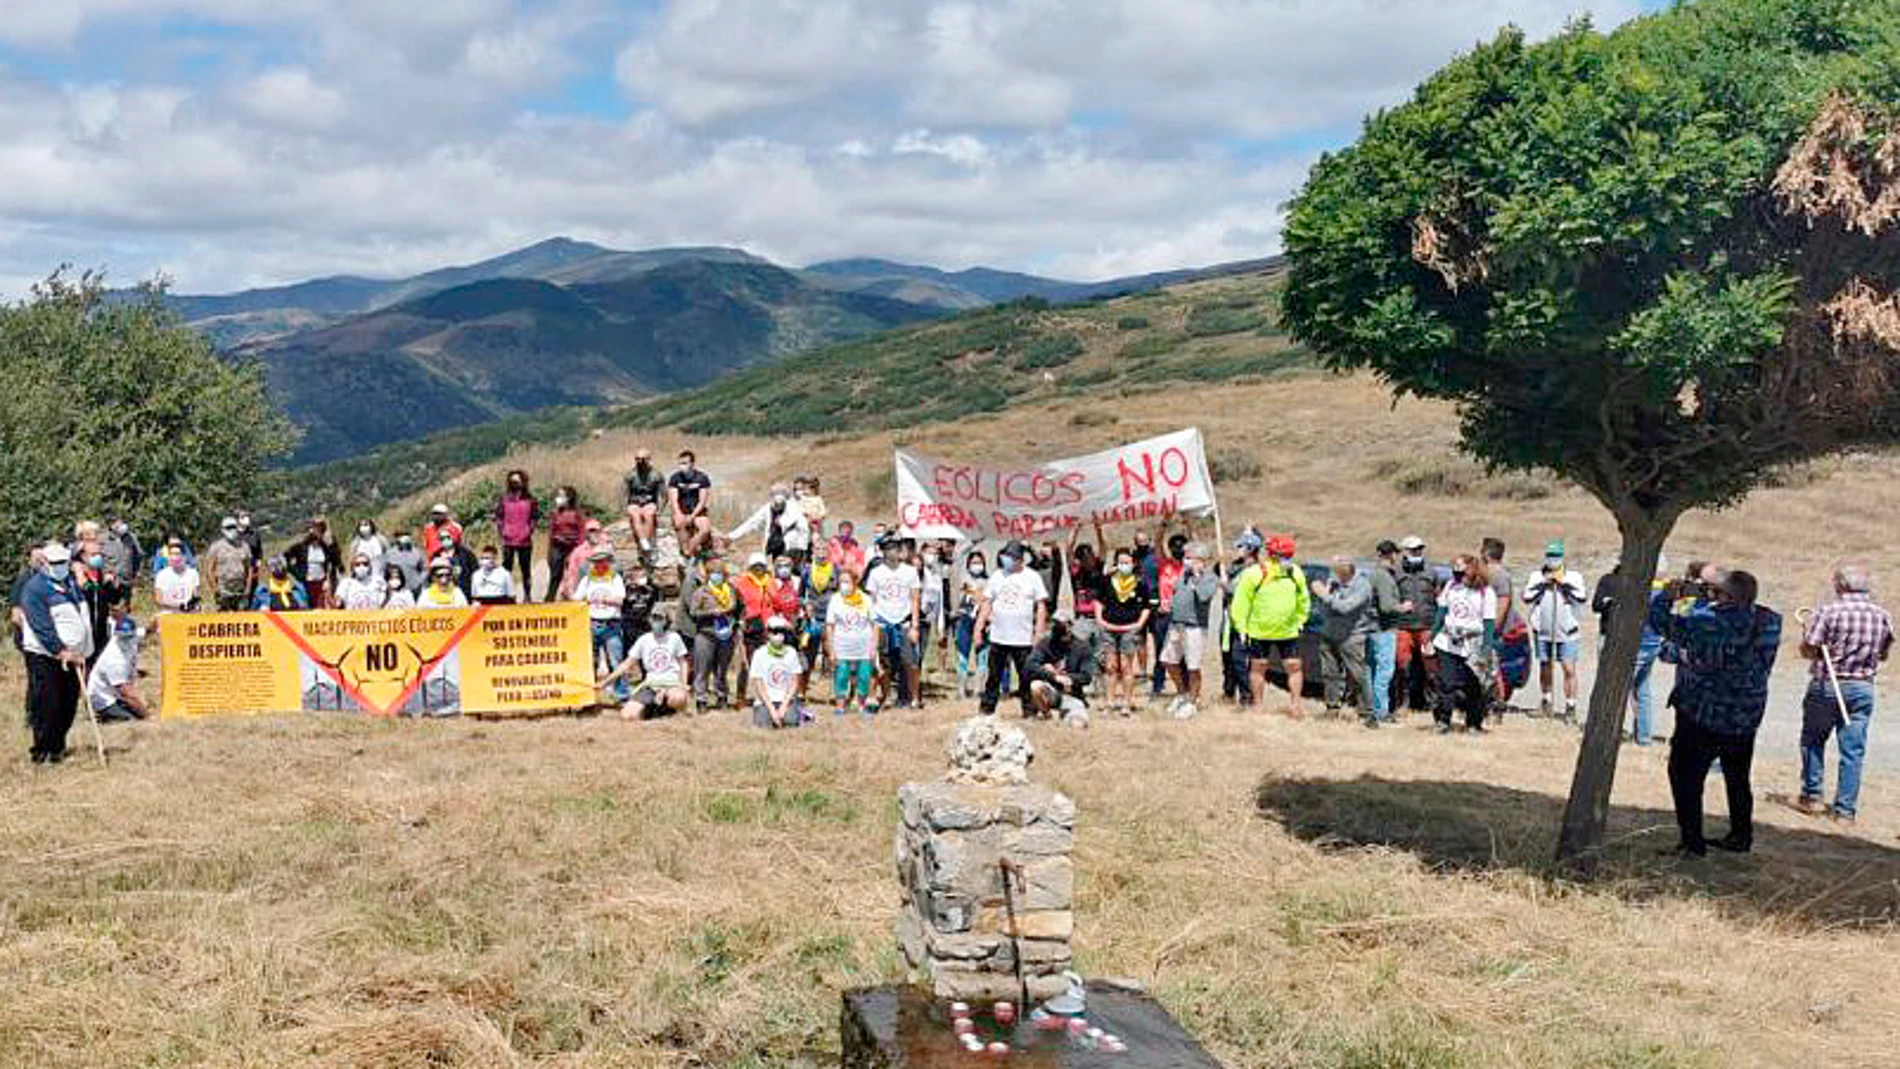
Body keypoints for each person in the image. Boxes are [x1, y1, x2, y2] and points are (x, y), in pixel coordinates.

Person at [1652, 568, 1781, 857]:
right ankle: (1740, 835)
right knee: (1737, 777)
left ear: (1725, 595)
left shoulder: (1709, 623)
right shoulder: (1770, 621)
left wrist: (1668, 595)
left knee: (1685, 776)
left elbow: (1660, 622)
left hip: (1705, 713)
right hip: (1746, 715)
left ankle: (1692, 843)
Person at [1796, 562, 1893, 824]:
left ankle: (1812, 796)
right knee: (1853, 751)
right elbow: (1883, 655)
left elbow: (1810, 650)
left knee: (1813, 740)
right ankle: (1845, 812)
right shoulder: (1882, 615)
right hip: (1862, 688)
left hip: (1828, 683)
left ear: (1840, 584)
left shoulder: (1828, 612)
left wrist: (1806, 636)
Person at [21, 543, 94, 762]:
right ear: (44, 563)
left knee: (68, 703)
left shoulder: (70, 583)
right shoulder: (35, 588)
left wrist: (83, 651)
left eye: (63, 562)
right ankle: (43, 752)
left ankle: (58, 748)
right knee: (48, 704)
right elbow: (40, 624)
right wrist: (60, 650)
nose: (60, 566)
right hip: (47, 656)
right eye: (55, 563)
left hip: (75, 655)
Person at [1231, 535, 1312, 719]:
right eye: (1280, 555)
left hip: (1288, 630)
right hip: (1259, 630)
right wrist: (1242, 627)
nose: (1284, 559)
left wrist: (1300, 621)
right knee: (1259, 667)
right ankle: (1258, 706)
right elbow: (1241, 602)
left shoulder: (1295, 572)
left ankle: (1295, 706)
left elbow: (1303, 599)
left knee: (1294, 666)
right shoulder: (1254, 573)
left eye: (1287, 556)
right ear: (1271, 554)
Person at [1592, 560, 1668, 745]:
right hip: (1649, 644)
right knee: (1642, 689)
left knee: (1617, 687)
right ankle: (1643, 736)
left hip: (1637, 645)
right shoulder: (1663, 592)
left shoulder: (1641, 590)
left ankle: (1606, 734)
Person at [974, 540, 1048, 718]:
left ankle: (1029, 710)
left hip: (1022, 638)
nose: (1007, 560)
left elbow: (1041, 606)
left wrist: (1038, 632)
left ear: (1021, 559)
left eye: (1011, 557)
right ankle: (987, 709)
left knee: (1026, 677)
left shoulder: (1032, 577)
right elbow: (986, 604)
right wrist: (978, 628)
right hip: (999, 636)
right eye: (1006, 556)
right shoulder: (997, 576)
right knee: (993, 677)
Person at [1432, 554, 1498, 735]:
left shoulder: (1486, 593)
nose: (1457, 575)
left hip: (1473, 644)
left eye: (1461, 572)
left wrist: (1486, 648)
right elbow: (1441, 613)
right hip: (1448, 642)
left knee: (1474, 685)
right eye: (1455, 571)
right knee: (1447, 683)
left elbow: (1489, 623)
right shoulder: (1451, 586)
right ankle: (1443, 720)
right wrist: (1432, 637)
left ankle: (1473, 723)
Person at [1524, 539, 1587, 721]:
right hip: (1543, 630)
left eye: (1556, 556)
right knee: (1545, 665)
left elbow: (1581, 598)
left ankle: (1570, 706)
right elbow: (1527, 597)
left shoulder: (1574, 577)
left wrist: (1563, 584)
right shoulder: (1536, 576)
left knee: (1568, 668)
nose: (1553, 559)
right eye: (1550, 556)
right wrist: (1544, 584)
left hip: (1567, 631)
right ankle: (1546, 701)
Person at [600, 608, 694, 720]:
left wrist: (683, 685)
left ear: (667, 621)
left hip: (671, 683)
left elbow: (683, 662)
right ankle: (654, 708)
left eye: (659, 618)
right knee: (627, 715)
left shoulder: (675, 638)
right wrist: (605, 682)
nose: (656, 621)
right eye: (653, 618)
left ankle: (667, 707)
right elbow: (626, 664)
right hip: (650, 684)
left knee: (678, 698)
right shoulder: (643, 639)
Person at [1311, 556, 1375, 721]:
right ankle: (1332, 709)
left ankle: (1367, 714)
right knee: (1329, 674)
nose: (1334, 576)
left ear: (1348, 571)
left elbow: (1345, 607)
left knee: (1357, 675)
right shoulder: (1334, 582)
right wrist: (1325, 595)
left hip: (1351, 637)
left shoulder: (1362, 586)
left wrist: (1324, 594)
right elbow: (1323, 609)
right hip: (1329, 633)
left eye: (1337, 572)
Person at [1096, 548, 1155, 716]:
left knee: (1127, 667)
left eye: (1127, 562)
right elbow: (1099, 601)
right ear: (1116, 563)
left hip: (1129, 629)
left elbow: (1146, 607)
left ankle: (1127, 704)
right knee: (1111, 667)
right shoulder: (1107, 581)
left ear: (1133, 563)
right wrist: (1100, 619)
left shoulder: (1140, 583)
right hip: (1109, 628)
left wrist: (1139, 624)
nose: (1124, 565)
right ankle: (1109, 702)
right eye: (1121, 562)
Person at [864, 541, 923, 710]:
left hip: (903, 622)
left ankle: (914, 698)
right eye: (888, 550)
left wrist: (915, 626)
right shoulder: (876, 573)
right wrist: (872, 626)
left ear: (900, 552)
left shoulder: (910, 572)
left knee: (911, 662)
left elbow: (915, 598)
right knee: (883, 662)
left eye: (895, 549)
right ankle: (886, 696)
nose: (892, 553)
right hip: (882, 621)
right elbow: (871, 601)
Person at [572, 548, 628, 702]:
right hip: (591, 622)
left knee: (616, 661)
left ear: (608, 562)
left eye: (602, 561)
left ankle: (622, 696)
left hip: (611, 623)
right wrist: (583, 601)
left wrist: (603, 600)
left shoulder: (615, 578)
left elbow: (620, 600)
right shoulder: (588, 579)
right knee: (589, 661)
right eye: (596, 561)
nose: (600, 564)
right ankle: (586, 697)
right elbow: (576, 598)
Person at [1392, 535, 1441, 714]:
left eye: (1419, 549)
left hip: (1427, 626)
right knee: (1402, 666)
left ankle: (1433, 704)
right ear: (1404, 552)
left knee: (1431, 667)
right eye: (1413, 550)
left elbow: (1438, 597)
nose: (1417, 553)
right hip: (1403, 626)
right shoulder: (1396, 572)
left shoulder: (1431, 572)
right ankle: (1402, 703)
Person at [1481, 536, 1526, 711]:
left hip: (1496, 631)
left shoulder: (1498, 575)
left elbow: (1503, 602)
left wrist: (1492, 629)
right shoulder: (1490, 573)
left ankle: (1498, 704)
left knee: (1494, 667)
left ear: (1486, 554)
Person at [687, 556, 738, 709]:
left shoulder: (730, 590)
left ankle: (722, 697)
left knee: (722, 669)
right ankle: (701, 699)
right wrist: (711, 612)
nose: (718, 576)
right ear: (709, 575)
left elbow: (737, 608)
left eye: (720, 573)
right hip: (706, 634)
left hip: (725, 634)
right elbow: (693, 612)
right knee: (702, 668)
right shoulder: (701, 592)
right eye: (714, 573)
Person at [1365, 541, 1406, 726]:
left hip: (1370, 629)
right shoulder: (1383, 577)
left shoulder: (1372, 574)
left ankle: (1369, 709)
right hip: (1383, 630)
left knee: (1371, 671)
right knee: (1384, 672)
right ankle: (1381, 712)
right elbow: (1387, 607)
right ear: (1392, 555)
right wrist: (1403, 607)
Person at [827, 570, 878, 716]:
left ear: (855, 583)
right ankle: (840, 706)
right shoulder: (835, 599)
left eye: (847, 582)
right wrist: (831, 650)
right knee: (841, 675)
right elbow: (830, 626)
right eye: (841, 582)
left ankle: (861, 705)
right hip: (842, 646)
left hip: (863, 647)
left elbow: (875, 624)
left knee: (863, 676)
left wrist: (873, 647)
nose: (844, 585)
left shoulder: (866, 599)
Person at [89, 602, 150, 722]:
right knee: (132, 721)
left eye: (129, 637)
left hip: (117, 694)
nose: (126, 641)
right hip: (105, 699)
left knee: (137, 710)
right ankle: (104, 714)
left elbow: (147, 631)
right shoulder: (114, 660)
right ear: (116, 635)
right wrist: (148, 717)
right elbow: (127, 694)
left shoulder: (133, 636)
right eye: (123, 638)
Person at [1220, 531, 1262, 706]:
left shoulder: (1254, 570)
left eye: (1240, 546)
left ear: (1250, 549)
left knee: (1240, 659)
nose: (1237, 550)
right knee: (1227, 658)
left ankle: (1248, 695)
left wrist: (1225, 585)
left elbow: (1238, 591)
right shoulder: (1236, 566)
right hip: (1228, 619)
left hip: (1244, 621)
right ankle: (1229, 693)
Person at [1027, 615, 1094, 724]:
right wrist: (1051, 674)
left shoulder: (1082, 647)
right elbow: (1030, 665)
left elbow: (1087, 677)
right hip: (1050, 692)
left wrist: (1069, 679)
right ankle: (1047, 715)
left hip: (1072, 695)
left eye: (1065, 635)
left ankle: (1063, 714)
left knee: (1078, 725)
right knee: (1035, 686)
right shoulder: (1046, 643)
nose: (1062, 640)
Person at [749, 616, 809, 728]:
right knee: (763, 725)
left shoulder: (791, 653)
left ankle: (800, 713)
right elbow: (759, 684)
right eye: (775, 632)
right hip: (765, 701)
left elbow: (795, 682)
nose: (779, 635)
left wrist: (783, 707)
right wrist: (772, 709)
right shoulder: (759, 654)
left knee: (791, 722)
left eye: (782, 631)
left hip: (786, 700)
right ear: (768, 633)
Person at [1148, 532, 1187, 700]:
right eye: (1175, 546)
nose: (1178, 549)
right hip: (1164, 615)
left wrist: (1188, 522)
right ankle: (1157, 686)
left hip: (1181, 616)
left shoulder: (1188, 568)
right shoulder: (1165, 564)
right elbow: (1157, 543)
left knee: (1182, 653)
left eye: (1181, 546)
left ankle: (1185, 687)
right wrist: (1163, 525)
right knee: (1161, 653)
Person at [729, 482, 811, 563]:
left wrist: (802, 548)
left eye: (780, 504)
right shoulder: (768, 508)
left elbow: (803, 528)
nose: (777, 507)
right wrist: (731, 536)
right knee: (778, 569)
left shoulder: (793, 508)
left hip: (793, 547)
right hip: (775, 545)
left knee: (790, 571)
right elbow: (752, 522)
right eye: (776, 504)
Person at [493, 470, 540, 595]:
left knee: (526, 569)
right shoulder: (504, 499)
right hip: (508, 540)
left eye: (517, 480)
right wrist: (502, 530)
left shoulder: (531, 500)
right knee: (506, 569)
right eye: (512, 480)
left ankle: (527, 595)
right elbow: (498, 516)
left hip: (525, 541)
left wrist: (529, 530)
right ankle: (505, 594)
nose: (514, 483)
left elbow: (535, 517)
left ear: (523, 481)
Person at [954, 551, 991, 700]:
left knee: (982, 656)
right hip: (965, 621)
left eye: (979, 562)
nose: (977, 566)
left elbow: (988, 600)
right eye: (974, 563)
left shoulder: (989, 581)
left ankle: (978, 690)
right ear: (968, 565)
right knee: (963, 655)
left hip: (982, 622)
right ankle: (961, 690)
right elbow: (964, 595)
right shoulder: (963, 578)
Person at [800, 543, 839, 684]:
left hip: (830, 619)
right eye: (818, 549)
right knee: (808, 654)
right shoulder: (807, 570)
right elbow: (800, 594)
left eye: (824, 549)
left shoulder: (835, 569)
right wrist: (806, 606)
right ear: (813, 552)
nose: (821, 552)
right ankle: (802, 691)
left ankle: (836, 692)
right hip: (812, 619)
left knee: (831, 654)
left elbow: (840, 592)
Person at [201, 517, 255, 612]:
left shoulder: (244, 546)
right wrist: (215, 590)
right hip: (223, 589)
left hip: (240, 589)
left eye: (233, 527)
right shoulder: (216, 547)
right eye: (228, 527)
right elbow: (209, 570)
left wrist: (248, 588)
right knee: (224, 618)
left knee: (241, 618)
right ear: (223, 530)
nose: (231, 530)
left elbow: (249, 568)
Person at [668, 450, 715, 558]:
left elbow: (702, 501)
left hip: (697, 511)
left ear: (692, 464)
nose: (682, 466)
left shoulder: (702, 478)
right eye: (680, 463)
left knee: (705, 529)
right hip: (682, 510)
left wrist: (693, 516)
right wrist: (678, 513)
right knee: (679, 523)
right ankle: (684, 550)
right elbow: (673, 499)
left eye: (685, 463)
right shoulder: (675, 478)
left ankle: (690, 547)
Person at [286, 519, 341, 609]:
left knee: (322, 607)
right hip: (306, 583)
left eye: (319, 530)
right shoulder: (301, 547)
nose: (316, 533)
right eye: (314, 529)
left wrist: (332, 545)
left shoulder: (326, 547)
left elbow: (336, 561)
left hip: (322, 583)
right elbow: (286, 557)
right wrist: (296, 572)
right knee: (306, 606)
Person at [545, 486, 586, 602]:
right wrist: (549, 552)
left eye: (562, 496)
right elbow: (551, 531)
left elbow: (582, 530)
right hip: (557, 546)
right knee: (555, 574)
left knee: (572, 572)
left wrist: (579, 548)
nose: (558, 498)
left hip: (572, 546)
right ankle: (550, 598)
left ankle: (572, 596)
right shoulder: (555, 513)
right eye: (558, 496)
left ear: (569, 497)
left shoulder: (577, 513)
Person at [558, 519, 613, 600]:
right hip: (584, 588)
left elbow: (614, 567)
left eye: (598, 530)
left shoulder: (607, 548)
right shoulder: (577, 552)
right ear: (586, 533)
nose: (595, 533)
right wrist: (571, 593)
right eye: (592, 530)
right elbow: (571, 574)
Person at [620, 562, 659, 657]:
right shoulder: (626, 589)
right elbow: (622, 603)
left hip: (645, 623)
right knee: (629, 650)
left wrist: (647, 585)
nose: (640, 578)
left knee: (646, 650)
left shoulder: (650, 589)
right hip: (629, 624)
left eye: (643, 575)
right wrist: (630, 585)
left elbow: (655, 596)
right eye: (638, 576)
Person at [153, 542, 202, 614]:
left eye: (177, 554)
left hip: (188, 611)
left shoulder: (193, 573)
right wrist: (175, 607)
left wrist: (191, 606)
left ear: (184, 556)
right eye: (171, 554)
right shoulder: (161, 575)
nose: (174, 557)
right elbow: (158, 599)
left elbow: (196, 595)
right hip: (168, 611)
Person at [100, 515, 144, 591]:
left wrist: (137, 574)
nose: (120, 525)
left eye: (121, 522)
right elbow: (96, 560)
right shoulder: (102, 539)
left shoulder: (131, 538)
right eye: (116, 523)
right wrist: (104, 574)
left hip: (127, 582)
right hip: (109, 583)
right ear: (111, 525)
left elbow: (139, 556)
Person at [436, 531, 479, 600]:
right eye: (442, 538)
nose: (445, 540)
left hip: (465, 592)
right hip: (445, 592)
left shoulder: (466, 553)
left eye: (447, 537)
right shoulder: (437, 555)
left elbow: (475, 571)